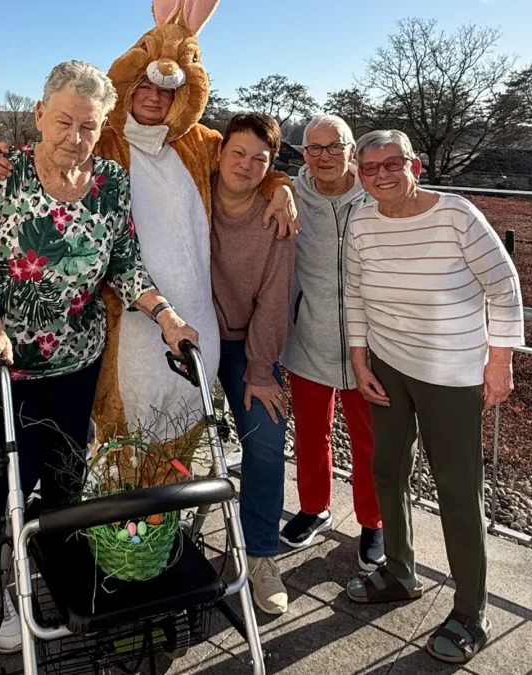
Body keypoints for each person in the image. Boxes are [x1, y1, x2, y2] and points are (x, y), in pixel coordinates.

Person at [0, 0, 298, 460]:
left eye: (166, 91)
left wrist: (280, 186)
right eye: (144, 86)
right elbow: (35, 159)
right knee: (93, 452)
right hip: (100, 335)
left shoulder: (195, 145)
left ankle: (163, 505)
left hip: (177, 329)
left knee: (165, 443)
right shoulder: (104, 141)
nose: (154, 98)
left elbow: (247, 161)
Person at [0, 60, 200, 654]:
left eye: (88, 126)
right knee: (9, 475)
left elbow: (125, 264)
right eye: (63, 121)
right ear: (40, 114)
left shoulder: (111, 181)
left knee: (66, 473)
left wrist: (167, 318)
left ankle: (54, 570)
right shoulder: (4, 173)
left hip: (75, 358)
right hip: (2, 360)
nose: (74, 136)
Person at [343, 130, 524, 665]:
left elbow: (504, 286)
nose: (381, 175)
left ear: (414, 166)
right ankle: (400, 572)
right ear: (360, 175)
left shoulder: (456, 215)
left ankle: (471, 611)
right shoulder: (361, 222)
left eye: (391, 164)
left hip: (451, 372)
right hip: (387, 366)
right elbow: (354, 294)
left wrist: (499, 362)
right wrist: (359, 361)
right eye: (369, 167)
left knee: (457, 489)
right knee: (386, 470)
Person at [279, 115, 384, 572]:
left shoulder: (375, 195)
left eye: (334, 146)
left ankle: (374, 521)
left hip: (370, 346)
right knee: (309, 434)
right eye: (314, 148)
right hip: (308, 337)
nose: (324, 157)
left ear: (351, 150)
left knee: (370, 441)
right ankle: (313, 508)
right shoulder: (290, 193)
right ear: (303, 154)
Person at [209, 113, 295, 614]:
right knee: (163, 431)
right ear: (219, 152)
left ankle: (260, 553)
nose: (245, 165)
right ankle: (156, 534)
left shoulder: (275, 218)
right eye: (237, 153)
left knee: (266, 440)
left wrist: (261, 369)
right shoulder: (193, 192)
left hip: (246, 345)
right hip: (185, 334)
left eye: (260, 159)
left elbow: (274, 298)